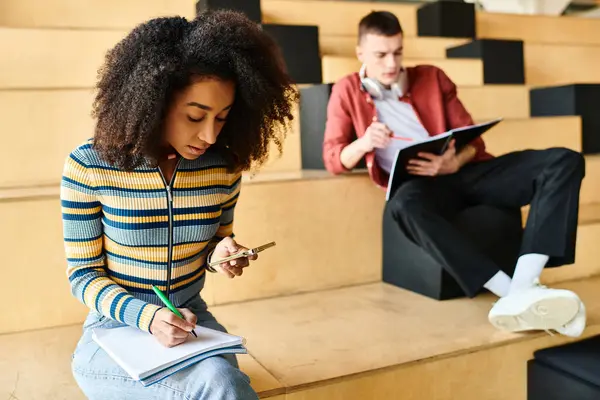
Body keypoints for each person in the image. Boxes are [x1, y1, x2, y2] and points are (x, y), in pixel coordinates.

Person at [61, 10, 298, 399]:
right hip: (115, 328)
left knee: (221, 384)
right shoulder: (90, 166)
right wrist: (147, 316)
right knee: (219, 387)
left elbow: (213, 243)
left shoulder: (224, 167)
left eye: (222, 118)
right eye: (195, 115)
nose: (208, 134)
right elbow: (83, 275)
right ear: (155, 100)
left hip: (192, 321)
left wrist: (223, 252)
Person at [323, 11, 586, 337]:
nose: (391, 63)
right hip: (421, 187)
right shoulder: (347, 90)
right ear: (360, 53)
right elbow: (333, 158)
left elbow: (473, 139)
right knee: (402, 207)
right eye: (381, 55)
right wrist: (364, 143)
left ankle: (523, 286)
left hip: (466, 171)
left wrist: (454, 161)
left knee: (565, 161)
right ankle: (511, 293)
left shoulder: (432, 77)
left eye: (398, 52)